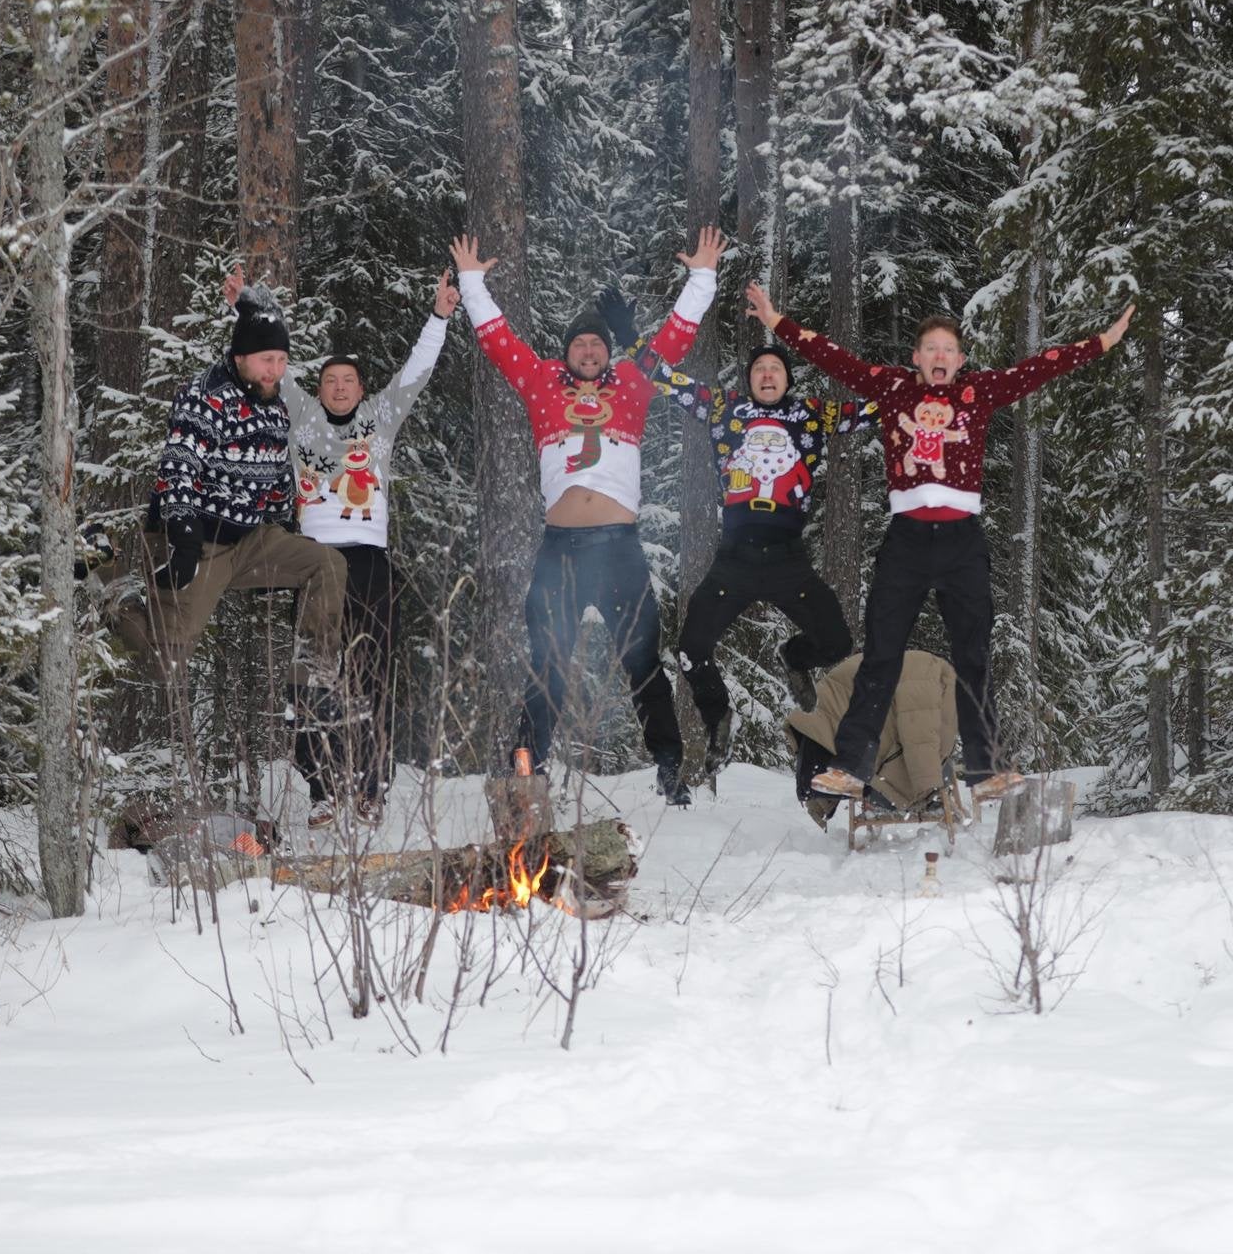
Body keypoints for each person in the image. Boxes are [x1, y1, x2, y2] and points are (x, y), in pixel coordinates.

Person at [747, 282, 1134, 803]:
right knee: (881, 655)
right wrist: (776, 320)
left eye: (948, 350)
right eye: (930, 349)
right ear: (916, 358)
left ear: (960, 360)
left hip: (962, 543)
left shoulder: (980, 392)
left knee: (973, 655)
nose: (939, 357)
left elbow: (1039, 367)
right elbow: (833, 356)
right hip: (905, 542)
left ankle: (987, 769)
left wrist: (1101, 343)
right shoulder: (893, 388)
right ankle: (851, 766)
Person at [450, 228, 725, 804]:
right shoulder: (542, 385)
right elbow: (499, 342)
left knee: (643, 658)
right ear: (566, 352)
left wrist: (701, 276)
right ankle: (526, 766)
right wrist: (472, 282)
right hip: (562, 550)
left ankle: (670, 767)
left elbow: (675, 338)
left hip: (618, 547)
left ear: (608, 354)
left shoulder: (632, 383)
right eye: (580, 345)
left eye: (598, 345)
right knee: (547, 660)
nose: (590, 351)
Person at [221, 267, 460, 828]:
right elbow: (266, 361)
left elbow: (416, 374)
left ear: (360, 388)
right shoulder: (300, 415)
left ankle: (371, 788)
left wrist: (440, 316)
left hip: (371, 562)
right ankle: (322, 790)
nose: (340, 387)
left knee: (374, 677)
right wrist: (244, 308)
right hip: (315, 565)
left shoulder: (379, 420)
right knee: (312, 672)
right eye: (331, 380)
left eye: (349, 380)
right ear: (320, 388)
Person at [113, 282, 350, 726]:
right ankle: (108, 586)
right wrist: (183, 536)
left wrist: (285, 525)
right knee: (165, 663)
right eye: (266, 360)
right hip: (199, 539)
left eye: (281, 361)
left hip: (251, 538)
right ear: (240, 357)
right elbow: (179, 467)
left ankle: (311, 682)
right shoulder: (206, 395)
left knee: (327, 565)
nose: (274, 370)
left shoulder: (272, 402)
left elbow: (278, 470)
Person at [640, 339, 876, 783]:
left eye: (776, 369)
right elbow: (667, 380)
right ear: (749, 379)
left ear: (788, 378)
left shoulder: (811, 413)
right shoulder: (725, 409)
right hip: (735, 560)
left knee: (837, 642)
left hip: (789, 558)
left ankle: (794, 655)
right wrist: (634, 339)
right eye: (759, 369)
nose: (767, 375)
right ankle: (718, 717)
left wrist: (924, 385)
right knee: (691, 649)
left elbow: (872, 410)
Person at [788, 650, 957, 828]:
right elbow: (920, 739)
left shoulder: (914, 663)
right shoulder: (933, 676)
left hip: (817, 738)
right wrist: (925, 792)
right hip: (832, 742)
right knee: (928, 769)